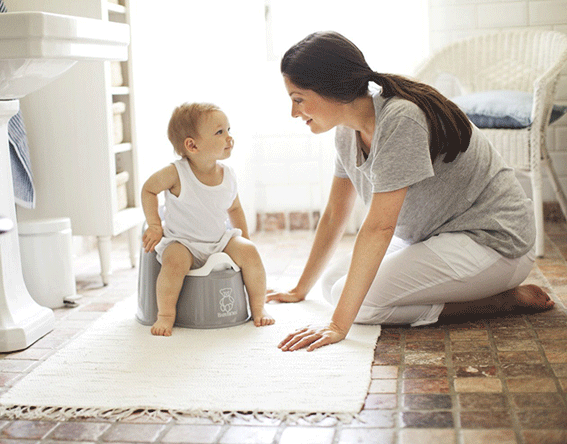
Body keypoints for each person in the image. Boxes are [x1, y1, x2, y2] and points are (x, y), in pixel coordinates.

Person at [266, 31, 554, 352]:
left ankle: (500, 302)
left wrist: (337, 326)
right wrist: (299, 288)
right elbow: (335, 213)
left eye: (298, 98)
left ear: (330, 88)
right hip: (435, 236)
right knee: (331, 285)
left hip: (495, 242)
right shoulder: (347, 134)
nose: (294, 112)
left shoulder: (401, 119)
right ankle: (486, 296)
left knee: (361, 305)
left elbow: (380, 228)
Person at [141, 102, 274, 336]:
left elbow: (234, 209)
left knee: (250, 253)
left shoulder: (228, 175)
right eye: (220, 132)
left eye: (229, 130)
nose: (229, 138)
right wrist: (154, 224)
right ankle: (165, 315)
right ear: (192, 145)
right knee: (174, 262)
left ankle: (258, 308)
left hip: (218, 240)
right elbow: (148, 189)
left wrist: (245, 238)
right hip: (183, 243)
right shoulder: (176, 173)